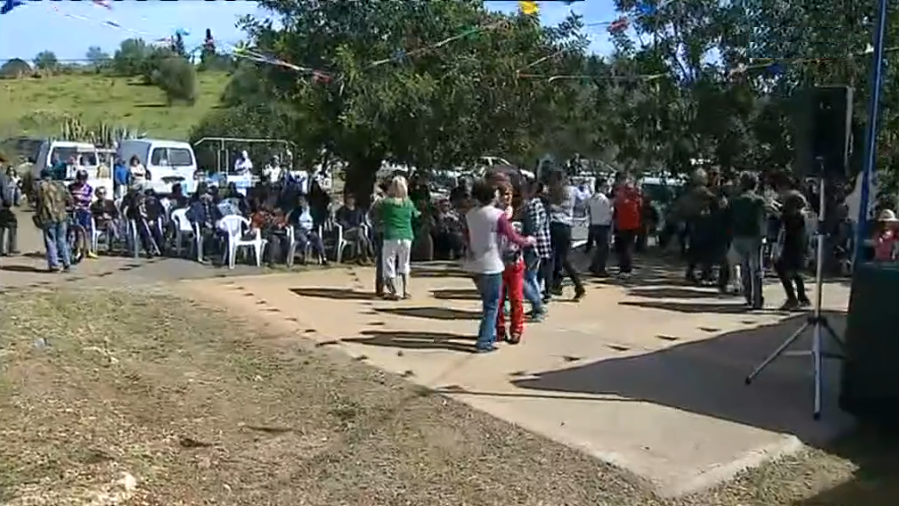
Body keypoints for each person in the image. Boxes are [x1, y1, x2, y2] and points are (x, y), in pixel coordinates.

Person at [464, 179, 535, 352]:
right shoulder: (497, 216)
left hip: (474, 265)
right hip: (492, 264)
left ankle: (493, 333)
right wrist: (528, 241)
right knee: (492, 305)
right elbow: (514, 237)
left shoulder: (470, 214)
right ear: (492, 196)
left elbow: (466, 236)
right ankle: (485, 340)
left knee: (489, 303)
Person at [546, 170, 588, 301]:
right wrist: (585, 186)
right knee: (562, 259)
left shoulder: (552, 191)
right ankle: (557, 285)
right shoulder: (573, 190)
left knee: (551, 258)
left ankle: (552, 288)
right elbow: (585, 198)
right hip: (567, 225)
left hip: (554, 224)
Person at [728, 172, 767, 309]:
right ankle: (757, 299)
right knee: (756, 268)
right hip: (754, 236)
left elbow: (729, 218)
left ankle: (748, 296)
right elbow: (761, 219)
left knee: (744, 267)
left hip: (738, 236)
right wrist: (764, 236)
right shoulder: (758, 200)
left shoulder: (735, 200)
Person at [377, 176, 419, 299]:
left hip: (391, 234)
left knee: (388, 262)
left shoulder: (386, 202)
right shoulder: (408, 202)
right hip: (407, 235)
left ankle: (394, 291)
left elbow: (379, 216)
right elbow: (416, 215)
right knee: (404, 263)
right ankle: (406, 290)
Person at [774, 189, 810, 310]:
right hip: (797, 248)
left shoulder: (793, 218)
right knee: (794, 273)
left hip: (791, 249)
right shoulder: (799, 216)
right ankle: (802, 297)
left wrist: (776, 210)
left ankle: (792, 298)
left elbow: (783, 218)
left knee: (783, 271)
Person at [34, 168, 74, 272]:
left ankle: (54, 265)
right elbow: (70, 199)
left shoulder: (40, 186)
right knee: (62, 240)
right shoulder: (60, 185)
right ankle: (67, 263)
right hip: (61, 215)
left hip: (48, 216)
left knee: (50, 240)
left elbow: (36, 200)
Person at [521, 180, 550, 316]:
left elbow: (535, 225)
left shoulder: (533, 204)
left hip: (533, 245)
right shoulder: (535, 203)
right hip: (537, 245)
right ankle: (537, 306)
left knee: (526, 277)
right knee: (531, 276)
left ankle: (538, 306)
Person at [612, 174, 642, 279]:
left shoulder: (627, 192)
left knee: (625, 247)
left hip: (627, 223)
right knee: (622, 247)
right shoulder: (627, 192)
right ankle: (624, 268)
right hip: (624, 223)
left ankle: (626, 269)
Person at [290, 195, 328, 265]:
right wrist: (299, 226)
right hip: (300, 230)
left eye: (302, 201)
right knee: (303, 240)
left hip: (310, 230)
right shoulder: (296, 211)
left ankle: (323, 258)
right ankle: (301, 257)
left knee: (317, 238)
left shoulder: (312, 210)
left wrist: (314, 227)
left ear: (306, 202)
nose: (300, 203)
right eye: (300, 201)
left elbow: (318, 220)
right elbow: (292, 221)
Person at [68, 169, 98, 259]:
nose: (82, 181)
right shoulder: (71, 187)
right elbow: (68, 197)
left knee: (86, 231)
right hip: (73, 210)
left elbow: (89, 198)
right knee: (76, 231)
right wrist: (73, 202)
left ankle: (87, 250)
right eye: (80, 179)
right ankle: (77, 250)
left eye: (83, 179)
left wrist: (80, 198)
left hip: (84, 211)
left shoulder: (89, 188)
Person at [586, 178, 613, 276]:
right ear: (600, 187)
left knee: (599, 248)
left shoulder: (592, 198)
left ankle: (594, 266)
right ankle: (599, 269)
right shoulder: (604, 199)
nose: (607, 189)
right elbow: (609, 212)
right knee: (604, 249)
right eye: (606, 187)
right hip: (603, 226)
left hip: (594, 224)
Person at [335, 193, 372, 262]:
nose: (351, 200)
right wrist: (351, 227)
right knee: (361, 236)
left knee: (360, 235)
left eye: (352, 198)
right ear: (346, 199)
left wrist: (361, 225)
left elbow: (362, 221)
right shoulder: (342, 210)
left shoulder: (358, 210)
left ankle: (359, 256)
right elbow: (341, 222)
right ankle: (366, 256)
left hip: (358, 232)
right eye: (349, 198)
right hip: (347, 232)